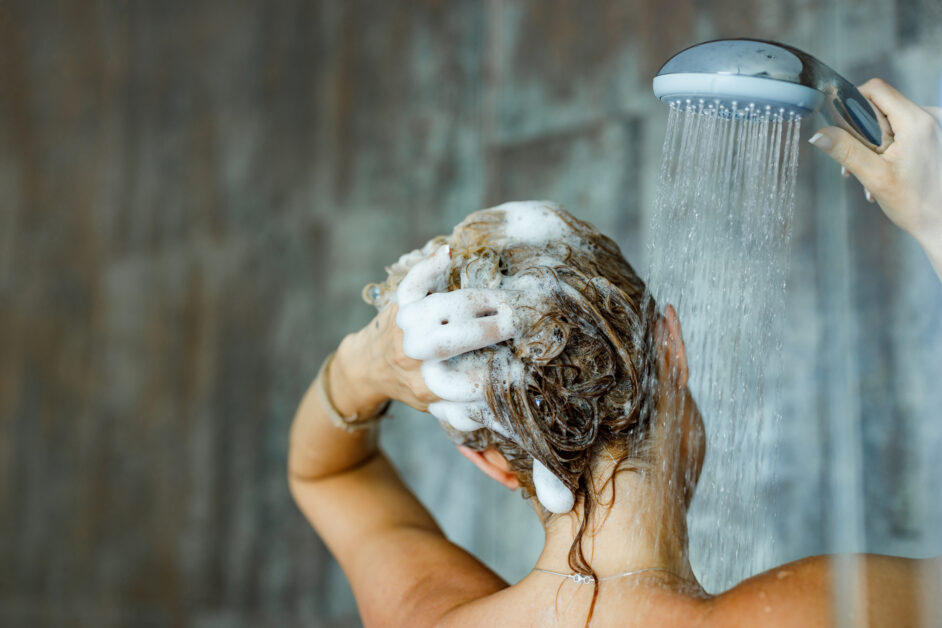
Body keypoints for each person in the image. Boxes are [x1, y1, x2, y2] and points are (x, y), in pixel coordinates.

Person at [287, 79, 941, 627]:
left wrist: (364, 364)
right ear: (672, 348)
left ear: (491, 463)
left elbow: (325, 474)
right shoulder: (815, 610)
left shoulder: (427, 617)